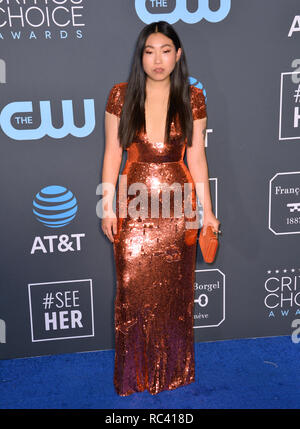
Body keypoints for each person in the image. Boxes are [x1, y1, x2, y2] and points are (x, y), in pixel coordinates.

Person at [101, 21, 220, 396]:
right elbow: (111, 154)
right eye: (150, 50)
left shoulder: (192, 97)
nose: (158, 59)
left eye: (165, 50)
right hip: (133, 203)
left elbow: (198, 157)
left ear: (178, 55)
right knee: (132, 291)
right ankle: (134, 374)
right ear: (141, 56)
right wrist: (107, 206)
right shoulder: (120, 96)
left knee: (175, 293)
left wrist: (209, 211)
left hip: (178, 204)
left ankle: (172, 371)